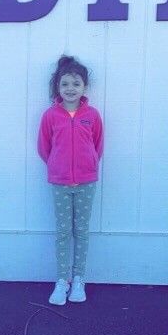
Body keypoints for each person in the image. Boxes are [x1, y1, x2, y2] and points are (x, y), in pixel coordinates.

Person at [37, 55, 104, 305]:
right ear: (58, 87)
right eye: (65, 84)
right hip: (60, 182)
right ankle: (62, 280)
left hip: (87, 182)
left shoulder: (92, 115)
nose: (70, 89)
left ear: (84, 87)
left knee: (81, 231)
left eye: (76, 84)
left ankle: (78, 279)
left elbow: (98, 145)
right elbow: (44, 147)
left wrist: (86, 167)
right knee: (64, 231)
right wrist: (59, 167)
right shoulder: (50, 116)